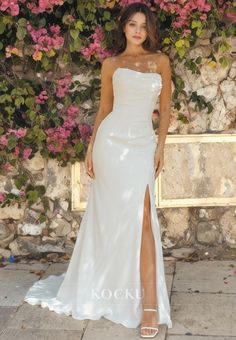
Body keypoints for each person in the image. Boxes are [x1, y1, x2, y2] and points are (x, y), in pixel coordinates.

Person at [24, 2, 172, 339]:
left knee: (145, 217)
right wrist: (91, 148)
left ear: (150, 30)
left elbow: (165, 111)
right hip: (111, 145)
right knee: (110, 219)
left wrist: (160, 147)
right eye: (132, 24)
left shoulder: (161, 62)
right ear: (123, 27)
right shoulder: (111, 64)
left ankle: (149, 304)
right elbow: (105, 108)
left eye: (143, 26)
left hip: (142, 146)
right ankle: (109, 286)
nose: (138, 31)